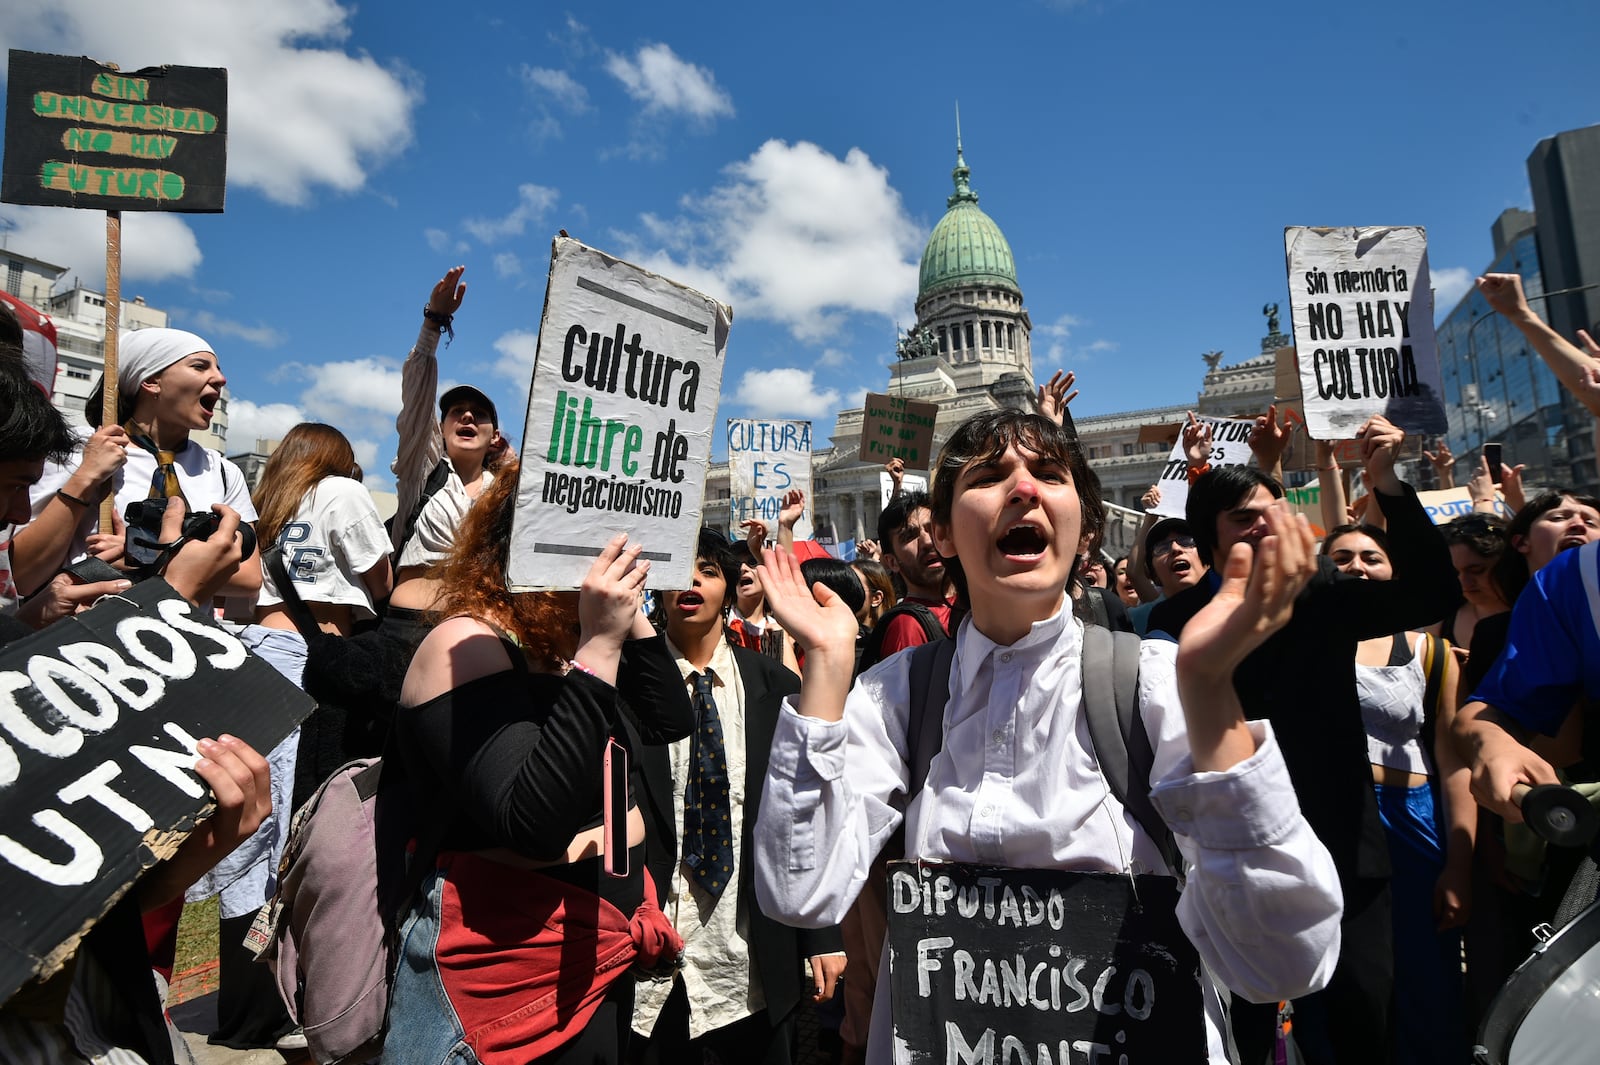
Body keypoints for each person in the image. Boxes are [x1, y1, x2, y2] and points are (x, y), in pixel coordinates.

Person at [752, 409, 1343, 1065]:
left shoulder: (1151, 684)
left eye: (1049, 473)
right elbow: (799, 890)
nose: (1024, 488)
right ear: (943, 531)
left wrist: (1209, 695)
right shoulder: (896, 695)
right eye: (989, 474)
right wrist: (829, 671)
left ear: (1086, 527)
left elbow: (1285, 962)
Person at [1147, 414, 1459, 1065]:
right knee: (1251, 1038)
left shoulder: (1322, 596)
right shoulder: (1175, 625)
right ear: (1212, 539)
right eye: (1242, 518)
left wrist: (1387, 482)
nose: (1264, 523)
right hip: (1239, 862)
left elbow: (1433, 590)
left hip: (1347, 853)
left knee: (1363, 1022)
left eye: (1271, 510)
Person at [389, 465, 693, 1064]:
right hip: (502, 980)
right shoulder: (467, 644)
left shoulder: (561, 647)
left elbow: (668, 719)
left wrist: (627, 617)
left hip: (591, 950)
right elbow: (533, 823)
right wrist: (600, 647)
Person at [630, 531, 845, 1064]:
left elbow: (806, 811)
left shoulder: (774, 684)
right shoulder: (621, 684)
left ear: (729, 588)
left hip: (750, 956)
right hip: (650, 963)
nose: (693, 580)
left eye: (708, 568)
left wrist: (820, 932)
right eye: (680, 568)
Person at [1323, 524, 1472, 1065]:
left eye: (1372, 556)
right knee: (1349, 981)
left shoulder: (1431, 652)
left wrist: (1459, 865)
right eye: (1341, 557)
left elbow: (1453, 761)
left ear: (1394, 572)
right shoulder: (1303, 644)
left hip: (1415, 826)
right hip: (1336, 828)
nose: (1358, 566)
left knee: (1426, 976)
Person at [17, 328, 260, 605]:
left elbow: (249, 579)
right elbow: (24, 575)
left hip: (177, 638)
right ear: (152, 381)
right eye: (199, 366)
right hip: (83, 635)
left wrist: (146, 553)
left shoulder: (222, 471)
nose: (220, 378)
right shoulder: (81, 448)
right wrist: (86, 477)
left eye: (217, 368)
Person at [389, 266, 503, 582]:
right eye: (457, 412)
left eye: (479, 414)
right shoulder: (422, 471)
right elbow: (417, 399)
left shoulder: (506, 497)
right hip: (406, 627)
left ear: (494, 437)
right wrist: (434, 322)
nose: (467, 416)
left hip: (482, 626)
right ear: (439, 429)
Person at [1127, 516, 1207, 636]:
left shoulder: (1236, 605)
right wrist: (1149, 518)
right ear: (1154, 574)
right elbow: (1134, 573)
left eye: (1186, 541)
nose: (1175, 548)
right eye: (1162, 547)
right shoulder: (1137, 619)